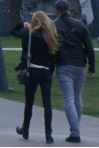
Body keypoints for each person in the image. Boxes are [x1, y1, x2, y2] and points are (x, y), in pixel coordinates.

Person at [53, 0, 96, 144]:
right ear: (69, 9)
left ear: (57, 11)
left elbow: (51, 48)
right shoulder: (80, 25)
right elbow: (89, 47)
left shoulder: (54, 25)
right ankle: (75, 130)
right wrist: (92, 66)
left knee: (68, 98)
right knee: (78, 96)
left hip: (64, 64)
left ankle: (75, 132)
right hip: (79, 64)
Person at [16, 10, 60, 144]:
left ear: (34, 21)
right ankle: (48, 134)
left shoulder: (30, 35)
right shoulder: (50, 37)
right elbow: (54, 58)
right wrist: (50, 71)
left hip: (33, 70)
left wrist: (22, 25)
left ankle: (26, 129)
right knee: (47, 104)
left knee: (29, 102)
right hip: (45, 71)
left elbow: (16, 36)